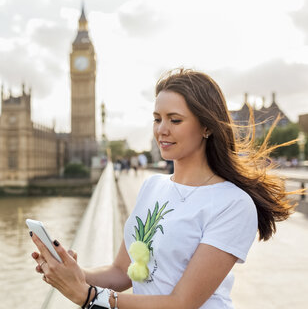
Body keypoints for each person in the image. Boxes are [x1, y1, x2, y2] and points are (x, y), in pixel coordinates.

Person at [30, 68, 298, 308]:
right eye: (157, 119)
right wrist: (72, 272)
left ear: (206, 126)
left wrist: (88, 296)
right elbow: (122, 272)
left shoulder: (233, 203)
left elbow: (182, 303)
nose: (162, 130)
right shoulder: (151, 186)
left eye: (175, 120)